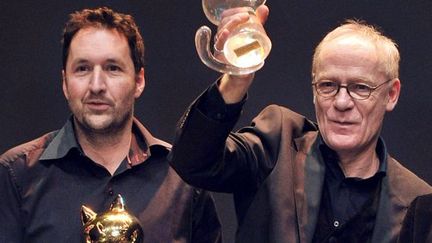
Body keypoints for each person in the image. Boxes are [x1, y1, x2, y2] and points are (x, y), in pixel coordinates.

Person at [168, 5, 432, 243]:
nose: (341, 102)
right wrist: (237, 78)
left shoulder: (417, 201)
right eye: (327, 85)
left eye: (360, 88)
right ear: (314, 89)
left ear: (392, 94)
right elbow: (192, 161)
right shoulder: (277, 143)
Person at [0, 7, 221, 243]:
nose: (96, 85)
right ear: (65, 83)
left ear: (138, 81)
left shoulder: (183, 179)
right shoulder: (16, 176)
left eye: (112, 68)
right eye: (82, 69)